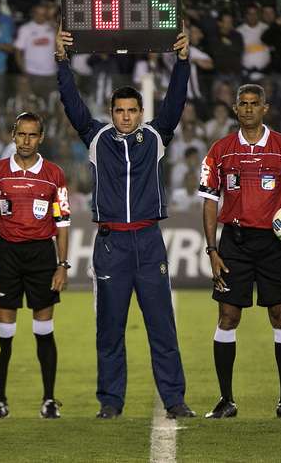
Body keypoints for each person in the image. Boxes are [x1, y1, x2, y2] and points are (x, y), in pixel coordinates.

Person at [56, 25, 196, 420]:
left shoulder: (156, 136)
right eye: (119, 110)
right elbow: (71, 102)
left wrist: (182, 61)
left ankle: (175, 400)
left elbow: (176, 101)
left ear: (140, 113)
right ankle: (111, 402)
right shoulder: (96, 137)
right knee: (109, 331)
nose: (126, 116)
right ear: (111, 113)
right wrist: (61, 61)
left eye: (132, 110)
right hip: (111, 246)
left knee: (162, 329)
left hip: (150, 244)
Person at [199, 83, 281, 420]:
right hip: (233, 243)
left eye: (255, 103)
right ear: (236, 108)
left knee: (280, 315)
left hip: (273, 243)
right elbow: (209, 203)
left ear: (265, 108)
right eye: (243, 103)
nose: (249, 109)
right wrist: (211, 248)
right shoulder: (220, 150)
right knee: (228, 317)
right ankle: (226, 400)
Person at [0, 112, 70, 420]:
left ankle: (48, 399)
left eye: (32, 135)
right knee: (3, 332)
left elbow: (63, 222)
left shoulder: (54, 175)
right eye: (22, 135)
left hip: (42, 257)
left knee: (43, 329)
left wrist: (62, 265)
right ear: (12, 136)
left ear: (41, 138)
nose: (26, 140)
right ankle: (0, 400)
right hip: (7, 255)